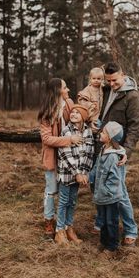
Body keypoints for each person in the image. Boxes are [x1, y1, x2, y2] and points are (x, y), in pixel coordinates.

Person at [94, 62, 139, 246]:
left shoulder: (132, 96)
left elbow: (135, 127)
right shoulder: (105, 89)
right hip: (102, 146)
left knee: (119, 192)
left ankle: (131, 229)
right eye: (109, 80)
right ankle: (102, 222)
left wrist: (125, 152)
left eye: (114, 80)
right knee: (98, 183)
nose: (111, 84)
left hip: (117, 151)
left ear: (123, 74)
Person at [37, 78, 83, 237]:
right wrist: (69, 140)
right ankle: (49, 220)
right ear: (57, 91)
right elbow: (47, 139)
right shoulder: (47, 113)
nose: (68, 89)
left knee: (67, 192)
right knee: (51, 190)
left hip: (69, 157)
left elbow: (80, 116)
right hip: (53, 157)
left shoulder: (69, 104)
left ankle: (64, 223)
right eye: (65, 87)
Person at [55, 104, 94, 245]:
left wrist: (83, 173)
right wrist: (76, 173)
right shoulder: (66, 131)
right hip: (66, 173)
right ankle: (59, 231)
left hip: (80, 174)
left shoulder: (88, 132)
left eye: (77, 113)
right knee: (64, 201)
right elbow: (65, 154)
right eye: (72, 112)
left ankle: (69, 227)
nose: (73, 114)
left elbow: (89, 153)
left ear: (83, 117)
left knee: (72, 202)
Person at [92, 121, 126, 253]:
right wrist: (89, 177)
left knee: (111, 221)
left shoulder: (112, 156)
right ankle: (103, 242)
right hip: (102, 195)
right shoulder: (103, 149)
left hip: (110, 196)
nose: (101, 133)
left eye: (104, 132)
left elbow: (114, 178)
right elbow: (96, 168)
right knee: (103, 221)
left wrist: (106, 190)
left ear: (110, 137)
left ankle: (112, 246)